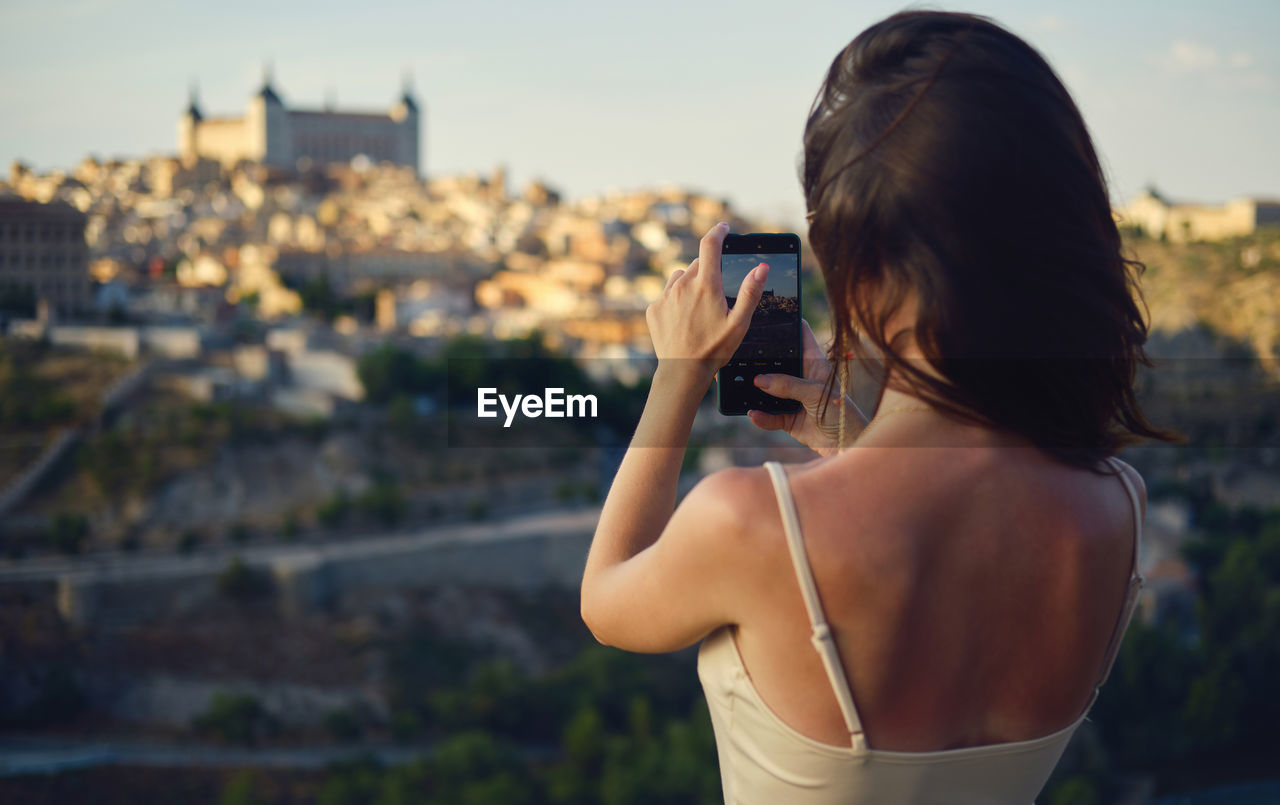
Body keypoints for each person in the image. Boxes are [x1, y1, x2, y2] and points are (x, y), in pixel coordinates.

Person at [580, 9, 1179, 804]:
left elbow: (606, 596)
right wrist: (847, 439)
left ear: (855, 272)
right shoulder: (1118, 513)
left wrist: (678, 375)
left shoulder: (752, 524)